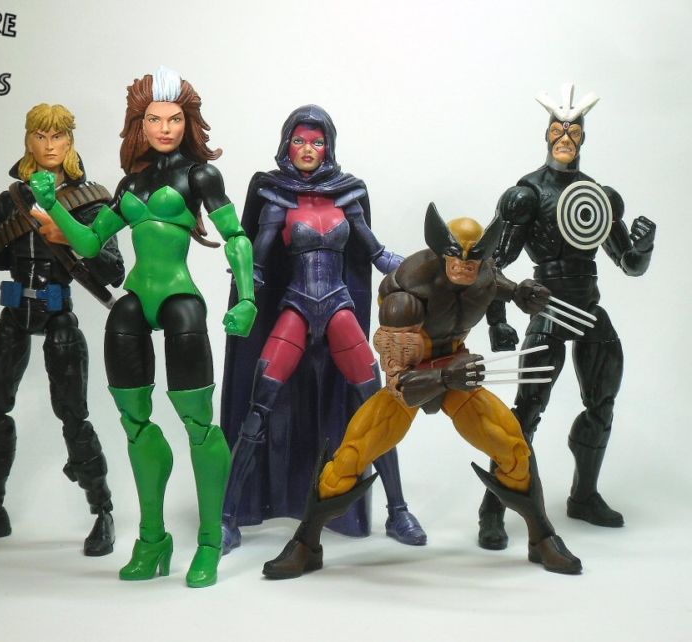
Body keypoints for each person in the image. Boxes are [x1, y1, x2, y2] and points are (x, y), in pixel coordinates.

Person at [262, 203, 583, 579]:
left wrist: (519, 294)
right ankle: (306, 544)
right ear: (441, 251)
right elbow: (400, 384)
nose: (466, 267)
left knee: (513, 446)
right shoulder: (406, 294)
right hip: (415, 374)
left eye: (475, 259)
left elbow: (494, 282)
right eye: (458, 258)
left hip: (456, 367)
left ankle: (541, 537)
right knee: (349, 458)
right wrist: (446, 377)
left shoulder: (482, 272)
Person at [30, 67, 256, 588]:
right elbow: (90, 244)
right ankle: (152, 537)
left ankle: (209, 541)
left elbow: (236, 237)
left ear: (186, 122)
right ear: (140, 124)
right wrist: (53, 205)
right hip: (134, 301)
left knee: (199, 425)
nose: (165, 128)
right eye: (155, 119)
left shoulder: (201, 176)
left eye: (174, 119)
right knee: (135, 422)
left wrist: (247, 298)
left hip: (180, 300)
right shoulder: (131, 184)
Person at [220, 105, 424, 554]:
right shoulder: (276, 196)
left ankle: (398, 510)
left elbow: (378, 254)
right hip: (295, 305)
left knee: (377, 406)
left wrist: (425, 269)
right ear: (286, 144)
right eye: (299, 140)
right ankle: (228, 517)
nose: (308, 149)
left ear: (328, 146)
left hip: (338, 307)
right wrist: (245, 289)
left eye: (316, 141)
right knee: (259, 405)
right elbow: (257, 260)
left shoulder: (347, 194)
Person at [0, 103, 123, 557]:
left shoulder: (91, 202)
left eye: (58, 136)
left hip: (59, 315)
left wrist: (69, 235)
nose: (49, 145)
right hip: (14, 314)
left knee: (73, 415)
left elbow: (114, 270)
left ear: (70, 142)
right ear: (28, 141)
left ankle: (103, 511)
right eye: (40, 136)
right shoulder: (10, 202)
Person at [479, 84, 656, 550]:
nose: (565, 138)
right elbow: (491, 261)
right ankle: (493, 508)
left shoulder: (596, 196)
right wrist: (497, 317)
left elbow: (629, 263)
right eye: (558, 130)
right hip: (547, 307)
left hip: (588, 306)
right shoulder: (528, 194)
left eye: (573, 132)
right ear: (547, 134)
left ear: (582, 138)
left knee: (602, 402)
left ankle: (584, 495)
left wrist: (644, 246)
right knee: (526, 412)